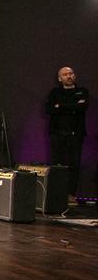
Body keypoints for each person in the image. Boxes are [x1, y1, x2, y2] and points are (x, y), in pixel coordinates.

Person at [45, 66, 88, 202]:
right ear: (60, 78)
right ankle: (56, 194)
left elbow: (82, 107)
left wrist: (61, 106)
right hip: (57, 134)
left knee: (74, 165)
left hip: (76, 134)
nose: (68, 76)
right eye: (65, 74)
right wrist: (72, 106)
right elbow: (49, 109)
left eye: (71, 73)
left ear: (74, 76)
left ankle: (71, 195)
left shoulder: (82, 91)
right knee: (57, 165)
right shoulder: (55, 92)